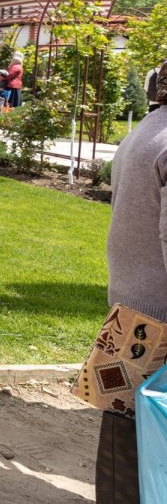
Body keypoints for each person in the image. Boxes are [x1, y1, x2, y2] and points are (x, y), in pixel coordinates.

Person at [99, 60, 167, 502]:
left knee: (123, 435)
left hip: (132, 308)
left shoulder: (149, 128)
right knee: (145, 440)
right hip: (158, 318)